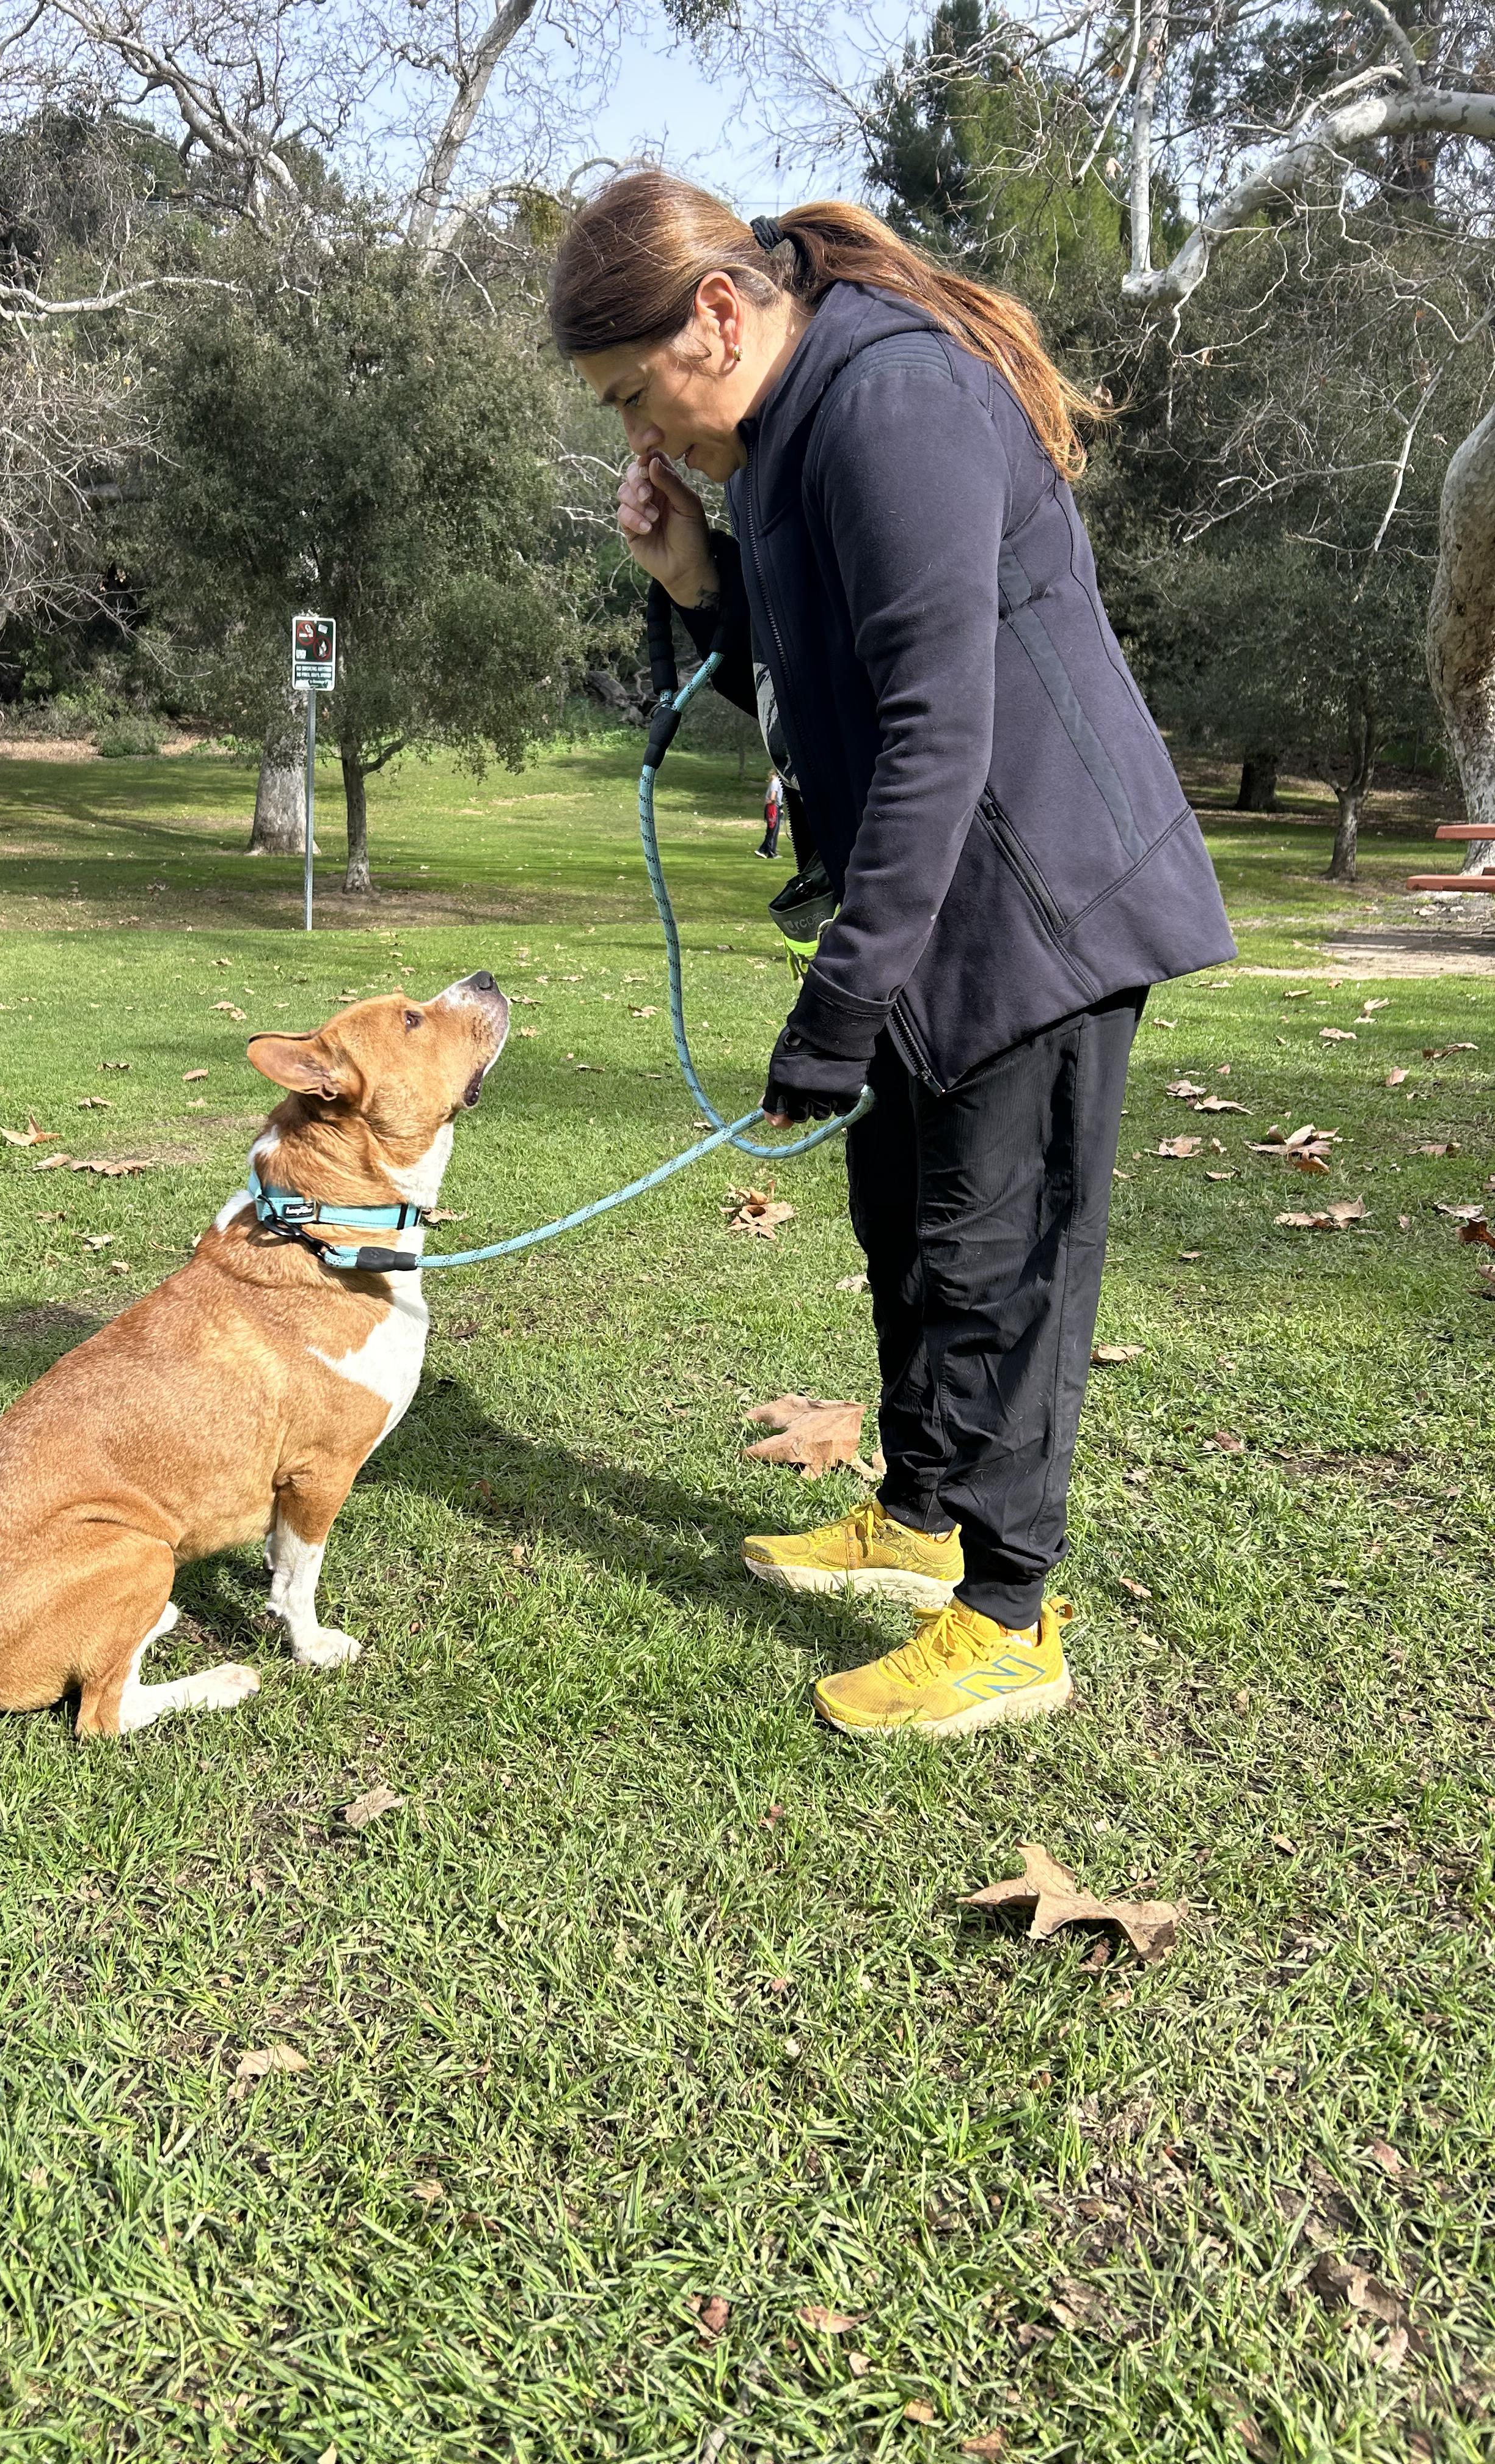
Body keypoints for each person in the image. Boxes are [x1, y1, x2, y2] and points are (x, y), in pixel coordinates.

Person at [551, 173, 1235, 1739]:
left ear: (716, 316)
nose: (638, 434)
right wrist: (701, 580)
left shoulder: (892, 401)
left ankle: (1009, 1619)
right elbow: (816, 690)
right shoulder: (795, 437)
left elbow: (938, 730)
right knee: (908, 1233)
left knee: (1000, 1265)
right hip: (936, 911)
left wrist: (839, 1001)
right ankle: (921, 1520)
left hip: (1038, 912)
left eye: (632, 394)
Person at [759, 766, 784, 860]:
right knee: (773, 830)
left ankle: (766, 850)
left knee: (773, 830)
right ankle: (769, 852)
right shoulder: (776, 782)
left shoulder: (776, 781)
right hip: (773, 807)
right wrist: (776, 804)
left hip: (775, 807)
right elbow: (773, 797)